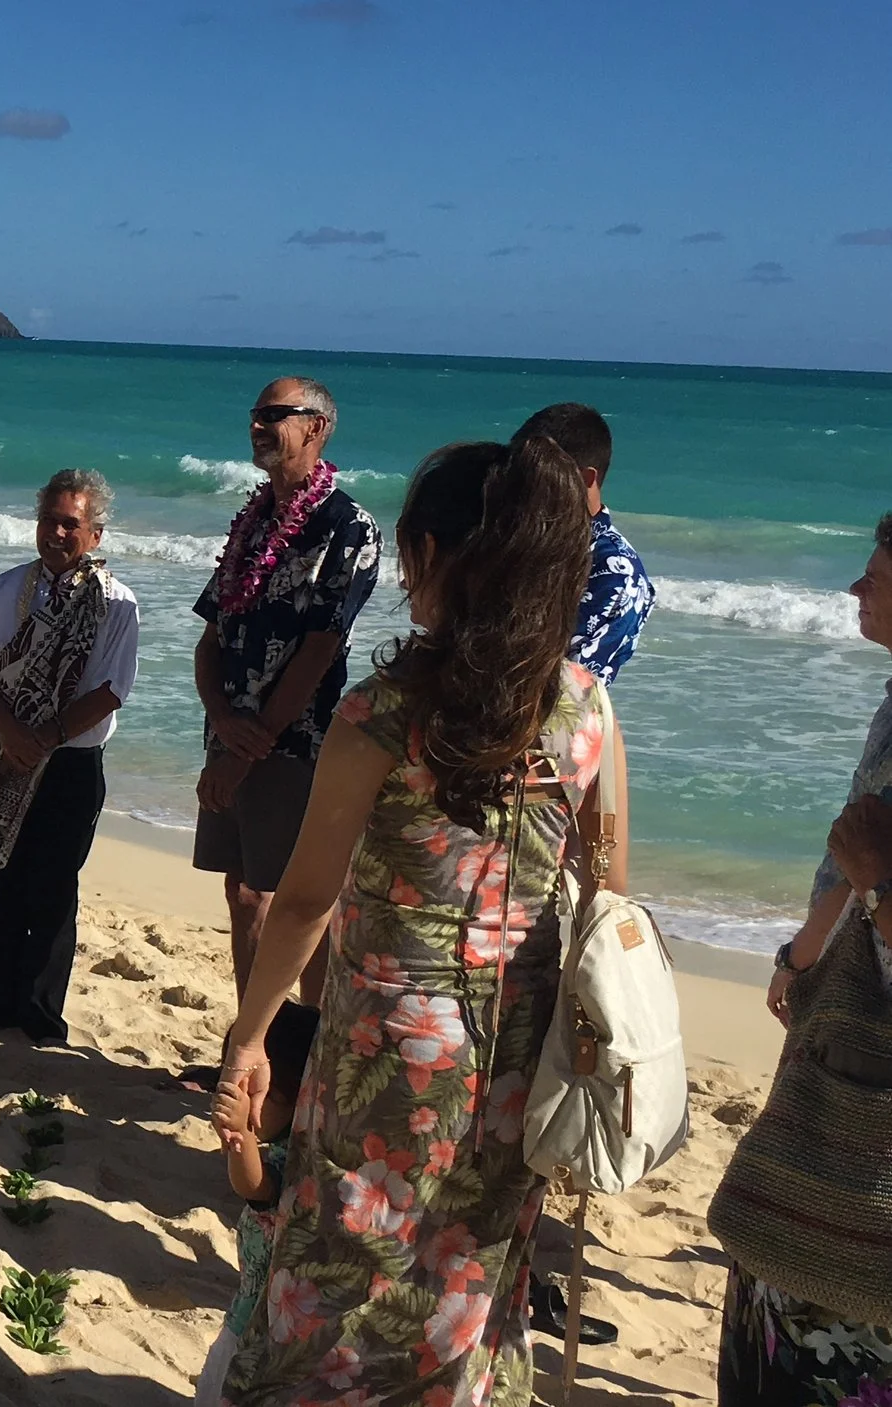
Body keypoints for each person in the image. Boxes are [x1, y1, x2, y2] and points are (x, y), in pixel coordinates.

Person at [214, 439, 621, 1404]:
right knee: (468, 1277)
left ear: (434, 554)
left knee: (346, 1268)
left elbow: (306, 896)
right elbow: (606, 887)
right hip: (518, 1045)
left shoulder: (387, 710)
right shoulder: (583, 705)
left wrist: (252, 1032)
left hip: (391, 1035)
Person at [721, 513, 892, 1406]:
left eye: (877, 577)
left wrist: (871, 891)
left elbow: (859, 868)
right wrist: (801, 957)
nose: (856, 589)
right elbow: (847, 868)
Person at [194, 378, 383, 1014]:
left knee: (300, 900)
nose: (257, 425)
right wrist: (222, 721)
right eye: (255, 414)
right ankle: (254, 1041)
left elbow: (320, 650)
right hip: (229, 732)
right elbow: (211, 638)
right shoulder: (251, 522)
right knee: (241, 891)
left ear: (317, 427)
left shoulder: (348, 527)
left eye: (274, 414)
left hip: (295, 741)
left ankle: (304, 1044)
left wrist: (247, 748)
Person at [515, 404, 641, 1347]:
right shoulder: (524, 546)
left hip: (549, 832)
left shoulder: (614, 576)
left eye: (543, 473)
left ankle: (527, 1273)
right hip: (492, 825)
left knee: (544, 1064)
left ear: (588, 482)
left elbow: (556, 706)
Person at [0, 468, 141, 1046]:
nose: (56, 533)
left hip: (69, 764)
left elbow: (111, 691)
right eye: (48, 521)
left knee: (53, 886)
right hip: (0, 752)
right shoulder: (2, 591)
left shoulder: (116, 605)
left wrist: (44, 737)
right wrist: (11, 734)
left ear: (95, 535)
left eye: (70, 524)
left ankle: (41, 1018)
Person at [195, 1002, 319, 1404]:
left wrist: (241, 1135)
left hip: (253, 1328)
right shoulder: (297, 1147)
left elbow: (254, 1186)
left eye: (259, 1097)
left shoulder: (295, 1161)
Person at [515, 403, 657, 685]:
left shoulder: (615, 571)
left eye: (533, 476)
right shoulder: (526, 541)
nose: (520, 488)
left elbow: (571, 691)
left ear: (584, 478)